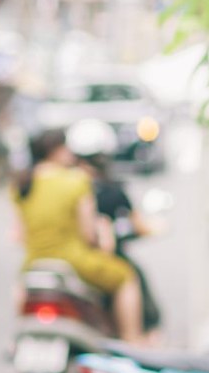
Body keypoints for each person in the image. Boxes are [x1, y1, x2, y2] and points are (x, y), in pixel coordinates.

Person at [14, 127, 142, 340]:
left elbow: (18, 235)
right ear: (56, 151)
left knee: (21, 290)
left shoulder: (22, 183)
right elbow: (89, 235)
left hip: (34, 261)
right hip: (75, 261)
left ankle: (16, 340)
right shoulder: (76, 180)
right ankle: (133, 339)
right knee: (126, 278)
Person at [65, 119, 164, 337]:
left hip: (64, 258)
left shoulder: (59, 184)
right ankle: (133, 338)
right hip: (92, 258)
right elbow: (97, 236)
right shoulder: (107, 190)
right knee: (128, 278)